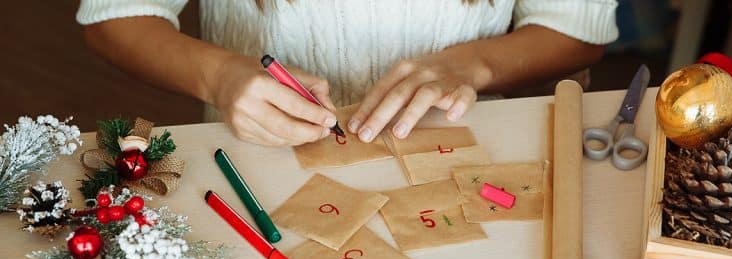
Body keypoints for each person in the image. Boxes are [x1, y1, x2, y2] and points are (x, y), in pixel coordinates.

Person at [77, 0, 618, 146]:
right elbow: (111, 19)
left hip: (463, 157)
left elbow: (576, 29)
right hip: (261, 159)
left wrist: (470, 64)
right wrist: (218, 76)